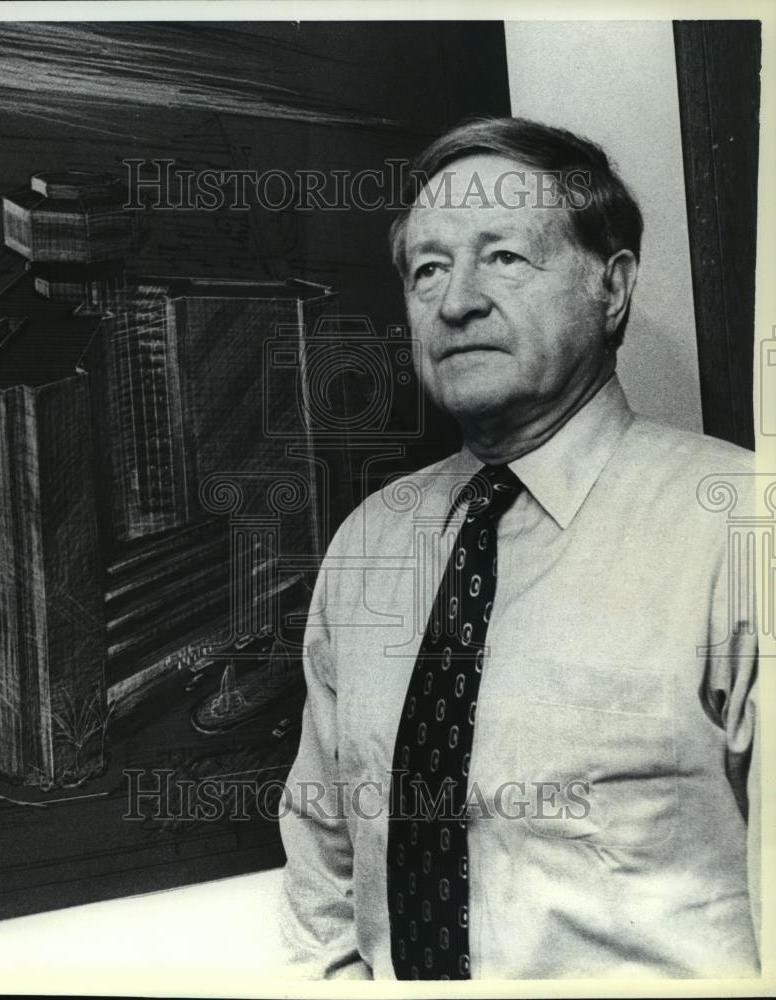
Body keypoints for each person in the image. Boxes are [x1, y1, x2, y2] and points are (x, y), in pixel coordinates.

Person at [277, 117, 759, 980]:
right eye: (428, 269)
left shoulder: (741, 528)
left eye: (502, 257)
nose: (455, 300)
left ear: (610, 287)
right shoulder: (368, 546)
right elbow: (323, 878)